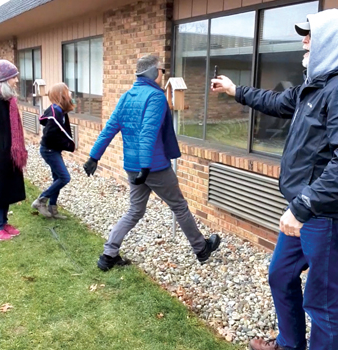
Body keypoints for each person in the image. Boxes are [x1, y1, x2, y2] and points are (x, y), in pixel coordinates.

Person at [211, 9, 338, 350]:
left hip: (323, 216)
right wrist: (235, 90)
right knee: (280, 275)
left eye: (311, 35)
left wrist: (304, 206)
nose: (304, 40)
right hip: (302, 212)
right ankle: (289, 344)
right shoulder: (313, 87)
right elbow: (275, 101)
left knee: (324, 305)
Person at [84, 54, 221, 271]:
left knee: (135, 210)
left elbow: (110, 127)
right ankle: (201, 249)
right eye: (162, 71)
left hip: (133, 167)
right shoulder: (156, 97)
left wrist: (94, 157)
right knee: (179, 206)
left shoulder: (127, 96)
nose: (162, 74)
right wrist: (146, 166)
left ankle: (108, 254)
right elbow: (147, 133)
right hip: (154, 167)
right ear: (154, 73)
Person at [0, 60, 27, 241]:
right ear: (4, 79)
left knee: (5, 188)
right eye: (13, 77)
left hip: (7, 154)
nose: (16, 80)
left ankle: (3, 223)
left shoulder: (5, 97)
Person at [31, 83, 75, 219]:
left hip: (53, 150)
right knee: (64, 177)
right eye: (68, 91)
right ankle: (41, 200)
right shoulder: (55, 112)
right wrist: (65, 144)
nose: (71, 94)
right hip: (49, 150)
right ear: (61, 95)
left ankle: (52, 209)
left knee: (57, 178)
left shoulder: (60, 111)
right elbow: (49, 135)